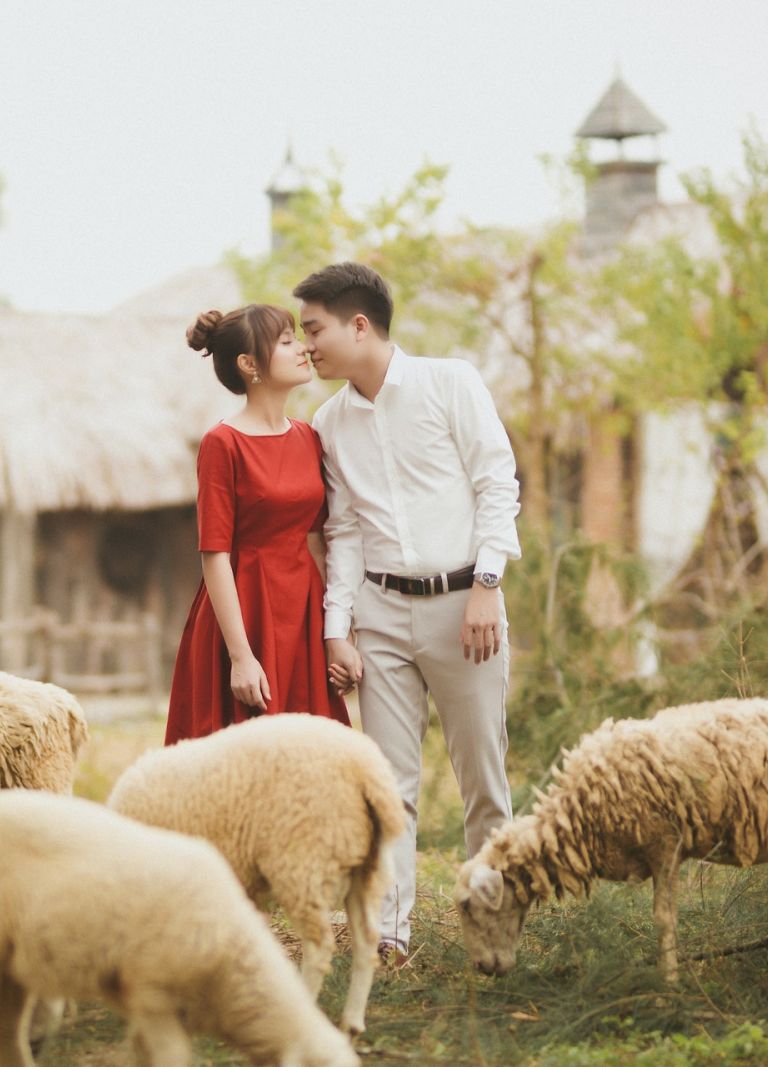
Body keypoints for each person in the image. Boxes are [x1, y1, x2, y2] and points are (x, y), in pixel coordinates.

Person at [299, 262, 521, 967]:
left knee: (482, 772)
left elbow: (496, 480)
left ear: (358, 324)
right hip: (381, 614)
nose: (308, 347)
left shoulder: (450, 383)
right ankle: (388, 937)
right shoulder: (328, 421)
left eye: (315, 329)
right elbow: (343, 532)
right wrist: (338, 627)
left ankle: (491, 925)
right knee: (390, 783)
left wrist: (487, 581)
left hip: (466, 606)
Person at [165, 304, 352, 744]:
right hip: (244, 612)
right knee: (240, 761)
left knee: (312, 755)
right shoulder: (222, 443)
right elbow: (215, 556)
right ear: (249, 364)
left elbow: (318, 541)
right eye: (286, 342)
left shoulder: (309, 436)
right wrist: (241, 656)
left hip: (302, 611)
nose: (303, 348)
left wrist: (335, 632)